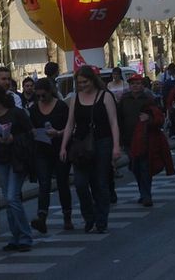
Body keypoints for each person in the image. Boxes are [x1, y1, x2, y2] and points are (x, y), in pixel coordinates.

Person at [59, 66, 121, 232]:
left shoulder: (106, 96)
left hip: (102, 143)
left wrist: (116, 146)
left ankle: (101, 220)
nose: (82, 85)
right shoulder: (75, 98)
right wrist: (63, 146)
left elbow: (114, 122)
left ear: (93, 80)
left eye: (85, 82)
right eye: (79, 83)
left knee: (100, 183)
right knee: (80, 183)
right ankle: (89, 215)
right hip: (80, 145)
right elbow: (70, 123)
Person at [0, 84, 34, 252]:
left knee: (12, 197)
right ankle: (16, 236)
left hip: (17, 158)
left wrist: (14, 138)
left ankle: (25, 236)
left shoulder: (16, 113)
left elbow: (30, 133)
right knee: (7, 197)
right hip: (1, 157)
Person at [28, 78, 72, 232]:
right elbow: (31, 126)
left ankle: (67, 216)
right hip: (42, 150)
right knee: (44, 184)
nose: (41, 99)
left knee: (62, 183)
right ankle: (42, 217)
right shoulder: (34, 109)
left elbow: (70, 127)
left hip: (59, 149)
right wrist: (33, 132)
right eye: (38, 96)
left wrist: (58, 133)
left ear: (50, 92)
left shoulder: (60, 106)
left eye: (43, 96)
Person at [117, 74, 161, 206]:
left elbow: (158, 116)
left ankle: (146, 194)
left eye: (138, 83)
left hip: (144, 138)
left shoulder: (149, 99)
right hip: (129, 138)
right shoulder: (124, 100)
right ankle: (142, 190)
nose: (135, 86)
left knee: (144, 167)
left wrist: (149, 119)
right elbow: (119, 119)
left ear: (142, 85)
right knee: (135, 167)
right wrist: (119, 138)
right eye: (132, 84)